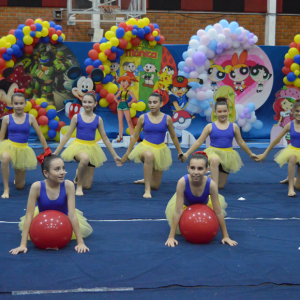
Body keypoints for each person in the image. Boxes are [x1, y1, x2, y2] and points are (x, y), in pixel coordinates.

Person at [10, 154, 92, 255]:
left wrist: (80, 242)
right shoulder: (36, 187)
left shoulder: (68, 185)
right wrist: (23, 244)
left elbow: (72, 214)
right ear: (46, 173)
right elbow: (29, 216)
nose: (62, 172)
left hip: (63, 224)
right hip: (42, 223)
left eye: (63, 168)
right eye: (57, 169)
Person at [54, 92, 122, 196]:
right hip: (78, 147)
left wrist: (115, 155)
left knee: (88, 186)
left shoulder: (98, 119)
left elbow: (105, 138)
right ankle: (79, 187)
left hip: (92, 150)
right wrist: (56, 152)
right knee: (84, 159)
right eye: (85, 102)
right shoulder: (76, 117)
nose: (87, 104)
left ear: (95, 103)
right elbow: (67, 135)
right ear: (82, 103)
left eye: (90, 102)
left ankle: (79, 173)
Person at [182, 97, 257, 189]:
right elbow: (198, 141)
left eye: (224, 111)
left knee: (220, 186)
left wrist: (250, 154)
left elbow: (241, 142)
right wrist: (187, 153)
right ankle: (212, 185)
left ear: (228, 111)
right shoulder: (210, 126)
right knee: (214, 160)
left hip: (228, 156)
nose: (222, 114)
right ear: (215, 112)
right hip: (213, 153)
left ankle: (209, 178)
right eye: (220, 112)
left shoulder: (234, 126)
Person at [165, 152, 237, 247]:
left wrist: (226, 236)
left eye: (200, 168)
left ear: (207, 170)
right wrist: (171, 237)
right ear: (188, 169)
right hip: (186, 207)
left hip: (206, 207)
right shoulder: (182, 182)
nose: (195, 172)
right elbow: (178, 211)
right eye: (192, 168)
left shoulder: (211, 185)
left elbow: (218, 212)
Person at [121, 91, 185, 198]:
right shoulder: (143, 118)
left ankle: (147, 179)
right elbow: (135, 136)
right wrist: (127, 153)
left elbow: (174, 137)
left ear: (161, 104)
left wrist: (180, 152)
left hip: (160, 150)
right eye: (150, 102)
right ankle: (147, 190)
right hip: (145, 148)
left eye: (155, 102)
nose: (152, 105)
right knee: (149, 156)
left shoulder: (167, 118)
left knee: (155, 186)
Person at [0, 89, 49, 198]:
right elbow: (1, 138)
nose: (18, 106)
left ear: (25, 104)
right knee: (5, 158)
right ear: (12, 104)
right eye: (16, 103)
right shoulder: (6, 119)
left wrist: (47, 151)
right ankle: (6, 189)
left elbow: (40, 135)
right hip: (9, 147)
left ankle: (17, 179)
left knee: (20, 186)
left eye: (21, 103)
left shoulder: (30, 118)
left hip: (23, 149)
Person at [257, 101, 300, 197]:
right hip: (292, 151)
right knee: (292, 157)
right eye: (297, 111)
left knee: (299, 186)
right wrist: (265, 153)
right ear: (292, 112)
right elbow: (277, 140)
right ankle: (290, 188)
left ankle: (291, 178)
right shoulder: (290, 125)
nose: (299, 113)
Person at [113, 76, 138, 143]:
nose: (123, 84)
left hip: (125, 105)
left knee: (129, 121)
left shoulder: (129, 91)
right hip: (120, 106)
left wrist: (130, 103)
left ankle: (132, 136)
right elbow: (115, 98)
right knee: (120, 121)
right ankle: (120, 136)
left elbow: (135, 99)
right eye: (121, 83)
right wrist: (118, 102)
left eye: (125, 82)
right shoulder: (120, 92)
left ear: (129, 84)